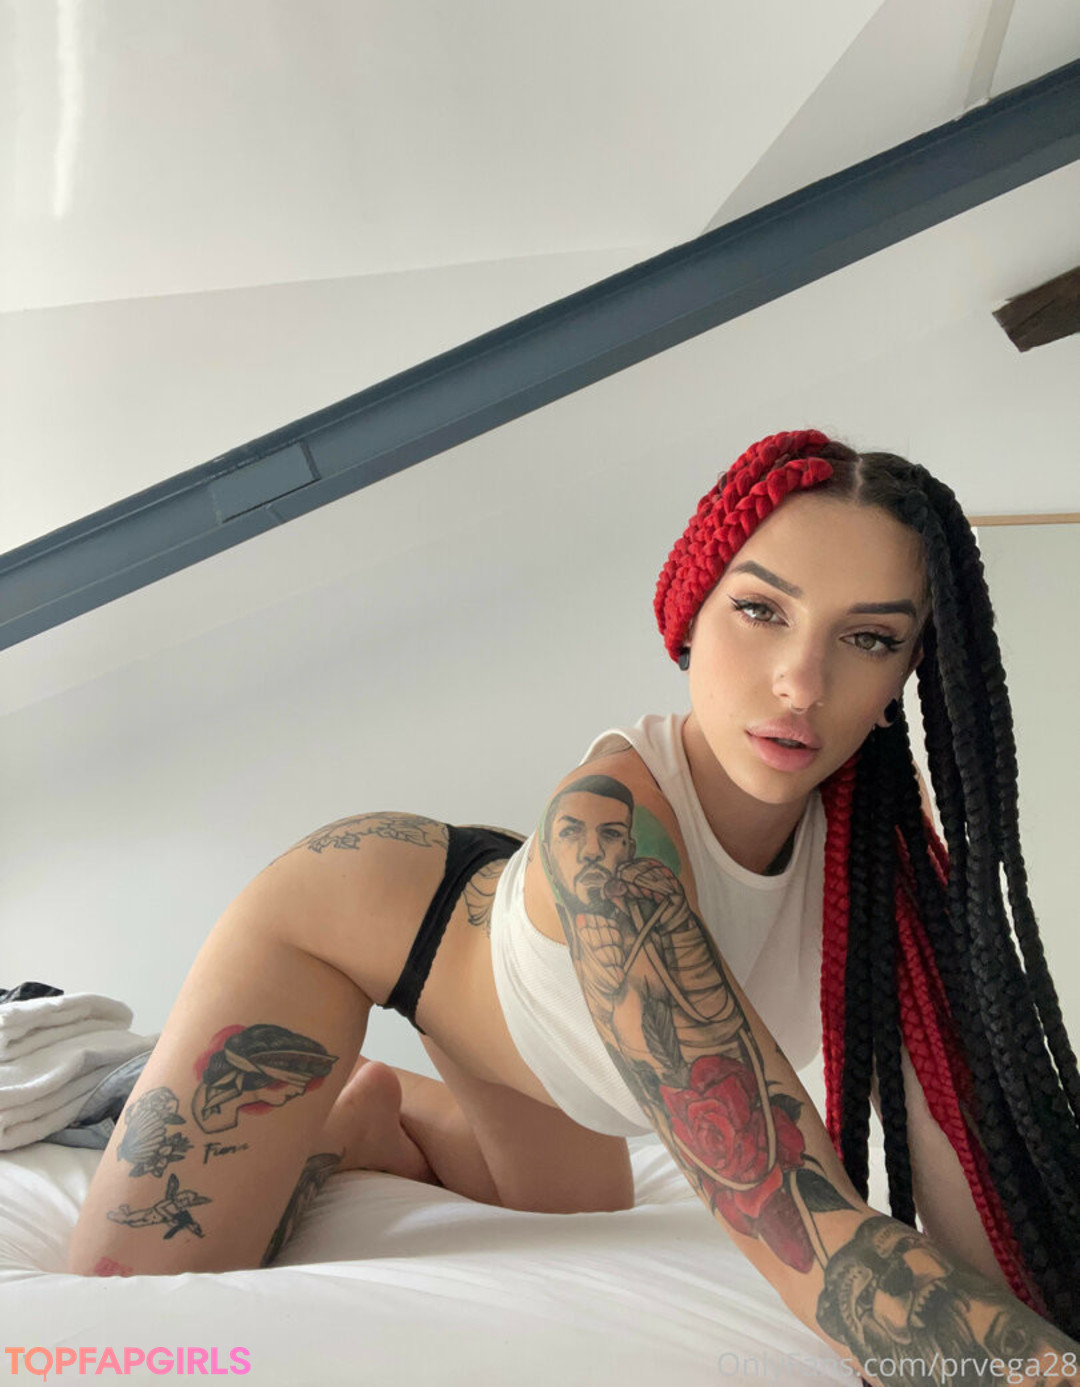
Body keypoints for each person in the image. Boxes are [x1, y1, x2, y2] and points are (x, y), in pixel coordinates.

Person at [68, 430, 1080, 1383]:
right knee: (130, 1299)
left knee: (570, 1208)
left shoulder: (884, 865)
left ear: (910, 668)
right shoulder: (610, 844)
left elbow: (975, 1190)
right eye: (762, 610)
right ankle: (326, 1117)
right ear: (693, 610)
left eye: (867, 636)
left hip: (546, 1024)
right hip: (359, 922)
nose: (801, 682)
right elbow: (807, 1233)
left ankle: (378, 1112)